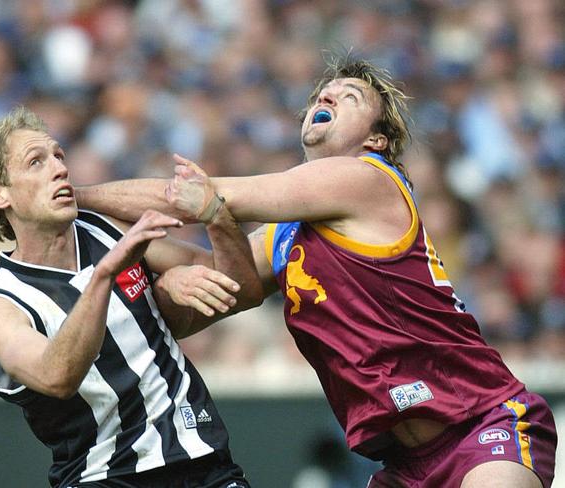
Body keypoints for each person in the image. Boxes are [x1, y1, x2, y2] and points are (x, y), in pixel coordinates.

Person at [75, 51, 557, 487]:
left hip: (484, 423)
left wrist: (72, 199)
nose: (326, 95)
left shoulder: (367, 177)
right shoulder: (285, 234)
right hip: (405, 467)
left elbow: (197, 197)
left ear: (375, 139)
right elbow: (219, 273)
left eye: (349, 96)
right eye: (322, 93)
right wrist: (114, 234)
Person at [0, 106, 263, 488]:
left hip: (204, 463)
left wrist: (215, 216)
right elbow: (56, 376)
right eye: (36, 162)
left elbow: (240, 288)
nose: (59, 167)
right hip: (104, 476)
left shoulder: (105, 230)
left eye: (59, 156)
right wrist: (105, 274)